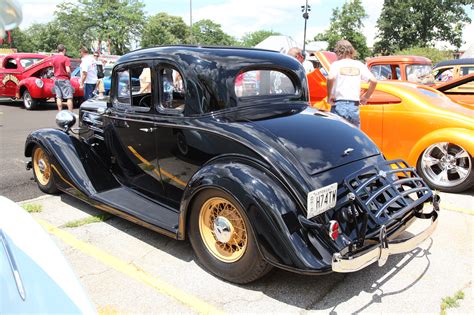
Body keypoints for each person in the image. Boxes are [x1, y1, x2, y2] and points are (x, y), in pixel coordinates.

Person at [327, 40, 377, 128]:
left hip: (339, 104)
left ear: (339, 51)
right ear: (351, 51)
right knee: (353, 136)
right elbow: (374, 81)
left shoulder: (336, 64)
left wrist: (329, 95)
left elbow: (330, 78)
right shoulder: (359, 65)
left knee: (337, 136)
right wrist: (366, 97)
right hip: (354, 106)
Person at [52, 44, 73, 111]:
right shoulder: (66, 58)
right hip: (64, 79)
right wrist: (69, 76)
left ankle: (60, 112)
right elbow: (68, 70)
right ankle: (70, 113)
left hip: (56, 79)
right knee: (69, 97)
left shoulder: (54, 59)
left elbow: (53, 70)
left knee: (58, 97)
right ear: (64, 50)